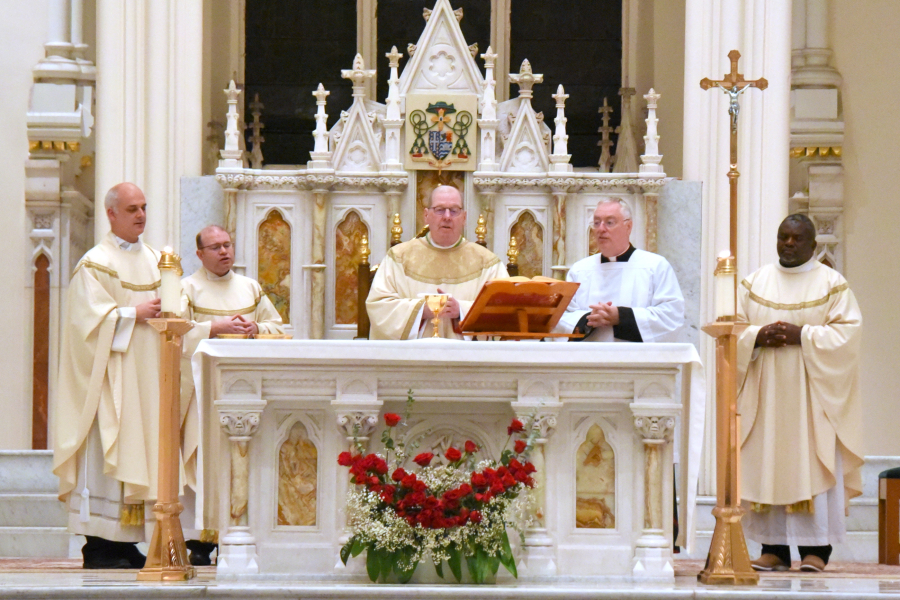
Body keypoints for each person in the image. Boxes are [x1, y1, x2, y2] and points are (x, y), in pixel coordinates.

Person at [740, 214, 863, 573]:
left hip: (812, 394)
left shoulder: (831, 283)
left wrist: (803, 336)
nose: (789, 244)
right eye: (783, 237)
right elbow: (733, 327)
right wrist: (756, 337)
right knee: (768, 463)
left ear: (813, 245)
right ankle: (773, 549)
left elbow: (848, 335)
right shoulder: (754, 282)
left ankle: (817, 552)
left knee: (812, 462)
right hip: (766, 394)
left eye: (797, 239)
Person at [52, 183, 163, 569]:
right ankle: (100, 544)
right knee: (107, 453)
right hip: (110, 380)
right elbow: (87, 325)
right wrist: (133, 314)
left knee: (142, 451)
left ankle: (128, 541)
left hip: (146, 379)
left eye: (144, 208)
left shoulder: (155, 260)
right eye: (132, 208)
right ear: (111, 214)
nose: (141, 215)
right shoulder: (95, 263)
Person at [179, 224, 284, 564]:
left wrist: (256, 328)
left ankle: (237, 531)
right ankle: (201, 538)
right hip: (202, 390)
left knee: (239, 458)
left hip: (246, 393)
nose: (224, 252)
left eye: (227, 245)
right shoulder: (188, 288)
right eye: (215, 247)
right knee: (204, 458)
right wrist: (215, 327)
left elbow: (278, 326)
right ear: (199, 254)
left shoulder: (249, 287)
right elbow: (176, 334)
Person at [366, 185, 508, 339]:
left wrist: (460, 310)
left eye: (454, 210)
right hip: (413, 359)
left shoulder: (487, 262)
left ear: (464, 217)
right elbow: (379, 306)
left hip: (467, 359)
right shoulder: (399, 257)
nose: (447, 216)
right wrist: (421, 310)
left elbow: (503, 311)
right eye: (440, 210)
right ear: (426, 215)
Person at [556, 197, 684, 342]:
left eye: (609, 223)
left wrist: (620, 316)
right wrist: (588, 320)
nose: (601, 229)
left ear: (628, 226)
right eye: (597, 223)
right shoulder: (580, 270)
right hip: (589, 359)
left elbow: (671, 316)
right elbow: (561, 317)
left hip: (636, 361)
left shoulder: (655, 266)